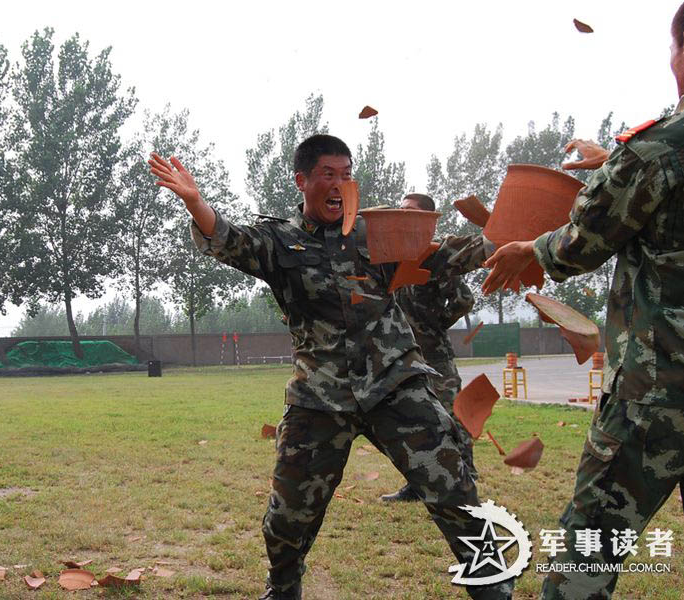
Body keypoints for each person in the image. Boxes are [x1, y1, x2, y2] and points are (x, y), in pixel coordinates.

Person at [149, 135, 512, 600]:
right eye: (328, 174)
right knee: (288, 515)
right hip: (319, 396)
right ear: (302, 180)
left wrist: (505, 236)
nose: (340, 184)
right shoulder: (281, 241)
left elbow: (444, 255)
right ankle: (283, 588)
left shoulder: (375, 234)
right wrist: (197, 202)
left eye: (346, 173)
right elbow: (229, 240)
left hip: (395, 384)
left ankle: (491, 587)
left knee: (454, 489)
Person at [483, 5, 684, 597]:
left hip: (656, 395)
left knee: (586, 552)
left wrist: (531, 250)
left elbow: (581, 243)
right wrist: (613, 165)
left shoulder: (656, 151)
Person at [381, 193, 479, 502]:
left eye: (410, 210)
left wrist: (436, 324)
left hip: (434, 354)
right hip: (403, 354)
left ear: (426, 218)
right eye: (401, 208)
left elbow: (464, 299)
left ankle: (467, 474)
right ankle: (417, 482)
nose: (402, 213)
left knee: (452, 413)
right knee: (411, 419)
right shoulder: (395, 256)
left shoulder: (436, 257)